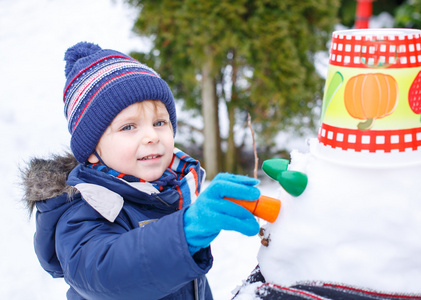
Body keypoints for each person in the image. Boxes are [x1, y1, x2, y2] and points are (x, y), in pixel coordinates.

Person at [21, 42, 261, 299]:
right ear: (92, 150)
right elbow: (107, 274)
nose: (151, 136)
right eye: (128, 127)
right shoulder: (81, 209)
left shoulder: (167, 192)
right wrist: (184, 232)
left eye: (159, 122)